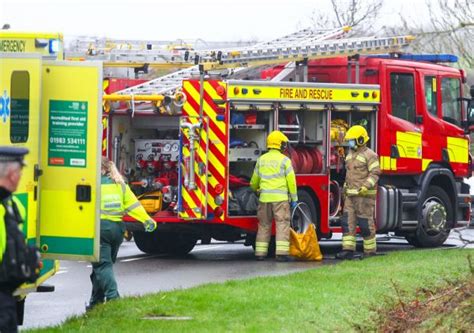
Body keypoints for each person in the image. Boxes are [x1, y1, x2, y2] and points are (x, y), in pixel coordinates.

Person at [87, 157, 157, 310]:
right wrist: (147, 220)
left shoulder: (92, 185)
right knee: (101, 267)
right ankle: (95, 303)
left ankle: (114, 300)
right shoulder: (120, 185)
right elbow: (133, 205)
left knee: (102, 266)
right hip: (117, 230)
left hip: (100, 228)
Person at [250, 131, 298, 261]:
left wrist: (256, 190)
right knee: (282, 224)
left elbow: (254, 182)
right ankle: (282, 254)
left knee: (264, 225)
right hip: (280, 200)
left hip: (264, 199)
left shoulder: (261, 160)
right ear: (280, 144)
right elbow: (291, 182)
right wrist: (294, 199)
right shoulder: (285, 161)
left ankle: (260, 253)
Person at [337, 125, 381, 259]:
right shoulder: (350, 155)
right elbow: (349, 174)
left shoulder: (371, 155)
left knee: (365, 223)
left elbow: (375, 174)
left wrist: (366, 187)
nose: (350, 143)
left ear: (361, 140)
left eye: (352, 140)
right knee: (347, 222)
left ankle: (369, 251)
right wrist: (345, 187)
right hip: (350, 195)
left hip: (364, 196)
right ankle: (348, 250)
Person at [0, 146, 30, 333]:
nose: (20, 177)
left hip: (7, 294)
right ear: (11, 174)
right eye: (19, 171)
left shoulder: (14, 204)